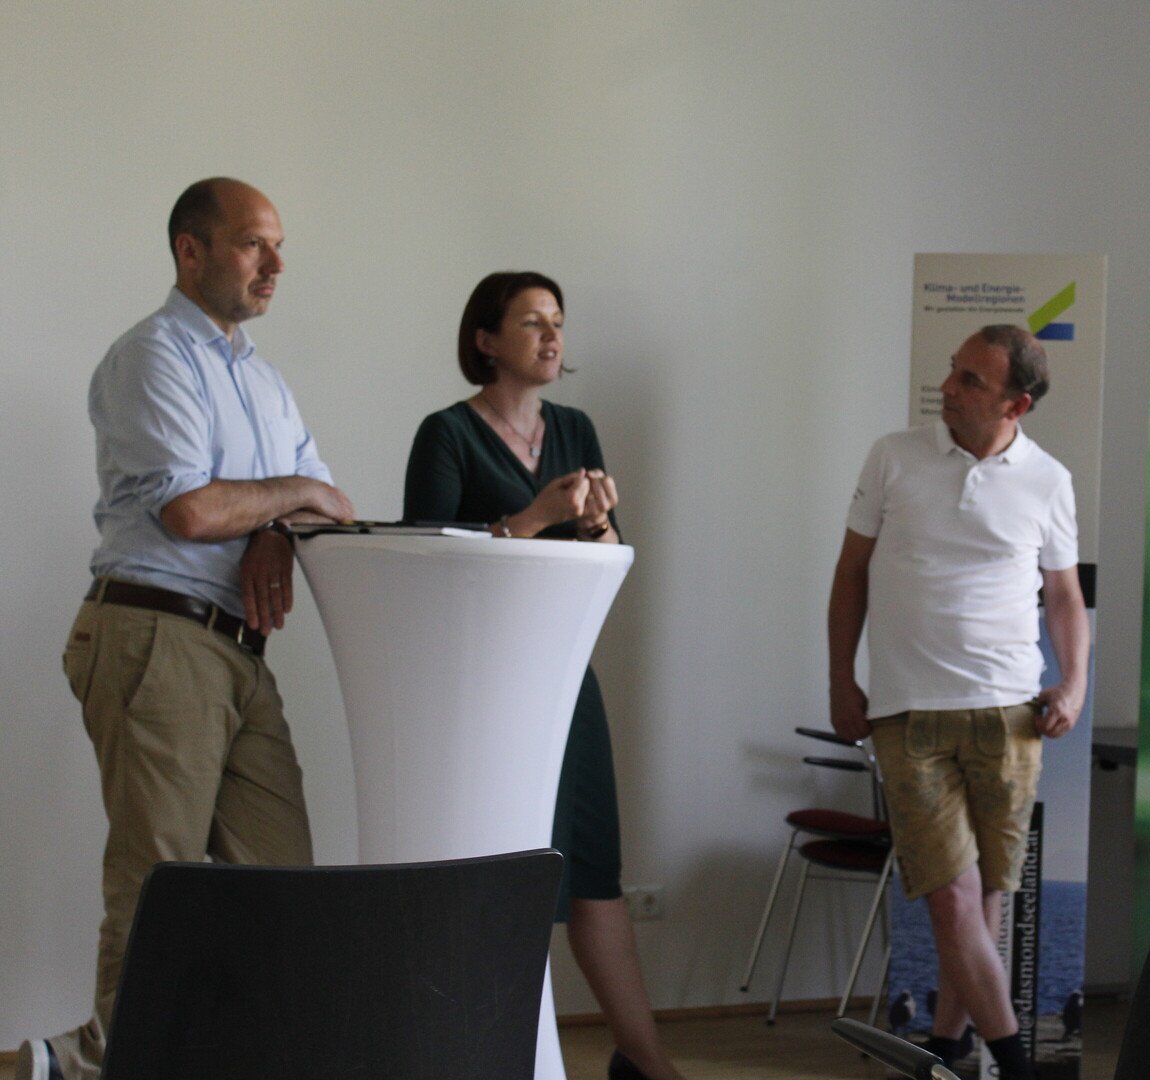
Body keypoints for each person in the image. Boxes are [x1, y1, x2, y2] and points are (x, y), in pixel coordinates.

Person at [17, 178, 355, 1080]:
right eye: (252, 244)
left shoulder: (265, 384)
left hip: (239, 649)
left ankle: (108, 1065)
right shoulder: (151, 356)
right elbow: (193, 511)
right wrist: (287, 499)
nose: (274, 265)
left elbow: (331, 505)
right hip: (157, 634)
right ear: (191, 250)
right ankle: (82, 1069)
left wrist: (274, 526)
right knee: (159, 891)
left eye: (278, 247)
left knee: (283, 892)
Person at [402, 271, 683, 1080]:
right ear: (486, 341)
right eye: (532, 322)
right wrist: (534, 518)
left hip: (565, 677)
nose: (553, 336)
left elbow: (608, 558)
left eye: (557, 321)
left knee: (595, 874)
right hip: (484, 688)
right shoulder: (447, 434)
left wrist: (592, 524)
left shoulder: (576, 428)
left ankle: (646, 1062)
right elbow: (426, 563)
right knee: (503, 876)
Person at [827, 326, 1090, 1080]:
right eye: (953, 371)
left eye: (970, 380)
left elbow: (1064, 596)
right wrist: (841, 677)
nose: (947, 387)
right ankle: (1014, 1063)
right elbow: (850, 574)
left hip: (1011, 713)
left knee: (984, 898)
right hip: (908, 712)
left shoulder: (1049, 479)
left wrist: (1072, 682)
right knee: (952, 899)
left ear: (1016, 404)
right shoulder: (893, 456)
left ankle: (946, 1048)